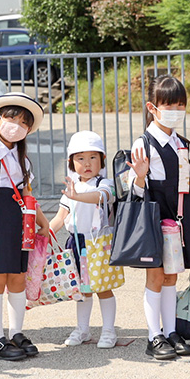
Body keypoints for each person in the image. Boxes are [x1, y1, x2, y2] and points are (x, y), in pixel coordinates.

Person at [125, 76, 190, 361]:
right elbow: (132, 190)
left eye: (181, 104)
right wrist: (139, 176)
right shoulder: (144, 142)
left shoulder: (179, 142)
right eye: (169, 104)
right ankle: (153, 336)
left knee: (172, 274)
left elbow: (188, 182)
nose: (176, 110)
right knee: (156, 275)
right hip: (156, 216)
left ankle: (171, 331)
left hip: (180, 215)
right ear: (152, 107)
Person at [0, 92, 52, 361]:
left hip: (20, 219)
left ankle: (16, 332)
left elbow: (27, 192)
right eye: (13, 118)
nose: (18, 126)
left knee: (17, 277)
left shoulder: (23, 157)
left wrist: (41, 220)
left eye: (24, 123)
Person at [47, 131, 118, 349]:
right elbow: (60, 217)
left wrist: (76, 196)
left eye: (93, 157)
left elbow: (101, 197)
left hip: (99, 243)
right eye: (80, 158)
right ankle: (83, 329)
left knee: (103, 287)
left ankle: (108, 331)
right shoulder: (72, 187)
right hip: (76, 244)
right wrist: (43, 233)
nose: (87, 163)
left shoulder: (105, 183)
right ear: (71, 162)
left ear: (102, 160)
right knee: (82, 290)